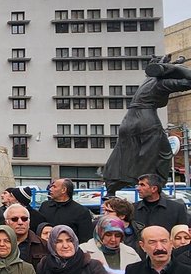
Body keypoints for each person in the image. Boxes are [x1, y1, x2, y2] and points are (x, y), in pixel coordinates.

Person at [103, 56, 191, 192]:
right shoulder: (161, 84)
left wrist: (168, 68)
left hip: (128, 120)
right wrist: (176, 68)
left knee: (123, 153)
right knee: (161, 154)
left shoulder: (148, 81)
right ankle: (152, 188)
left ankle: (111, 188)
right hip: (146, 120)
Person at [133, 173, 188, 241]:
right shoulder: (132, 209)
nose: (138, 188)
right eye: (138, 185)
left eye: (142, 185)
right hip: (139, 250)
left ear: (154, 189)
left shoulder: (177, 209)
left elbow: (184, 233)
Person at [38, 178, 94, 242]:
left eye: (54, 187)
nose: (50, 189)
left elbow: (85, 239)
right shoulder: (44, 206)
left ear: (64, 190)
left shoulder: (81, 212)